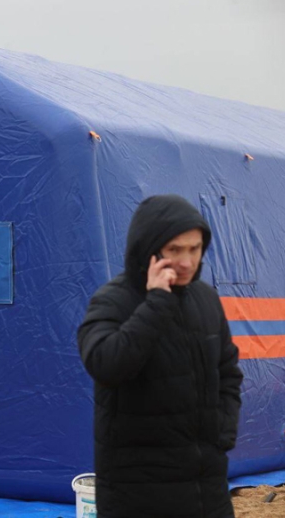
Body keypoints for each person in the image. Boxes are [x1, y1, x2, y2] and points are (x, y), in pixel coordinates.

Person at [77, 194, 243, 517]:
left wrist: (222, 432)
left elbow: (229, 372)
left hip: (207, 487)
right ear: (149, 250)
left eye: (194, 249)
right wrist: (156, 304)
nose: (187, 261)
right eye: (175, 250)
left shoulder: (206, 299)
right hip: (139, 493)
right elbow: (105, 364)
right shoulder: (113, 300)